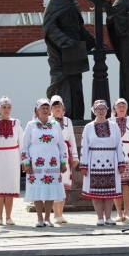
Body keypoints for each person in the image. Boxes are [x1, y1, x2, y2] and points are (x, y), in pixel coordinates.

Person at [44, 0, 95, 120]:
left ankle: (76, 117)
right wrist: (65, 40)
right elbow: (49, 26)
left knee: (76, 83)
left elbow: (79, 27)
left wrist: (92, 41)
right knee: (63, 82)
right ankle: (63, 116)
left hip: (74, 48)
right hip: (61, 49)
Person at [21, 98, 68, 228]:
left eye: (48, 108)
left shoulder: (55, 125)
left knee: (50, 190)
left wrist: (63, 162)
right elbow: (24, 146)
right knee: (37, 190)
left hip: (52, 163)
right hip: (36, 162)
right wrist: (26, 163)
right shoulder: (31, 125)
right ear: (37, 110)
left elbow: (62, 145)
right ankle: (39, 218)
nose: (46, 110)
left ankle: (48, 218)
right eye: (43, 108)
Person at [80, 100, 126, 226]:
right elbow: (84, 147)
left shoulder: (114, 126)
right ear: (94, 111)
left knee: (109, 191)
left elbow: (118, 145)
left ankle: (108, 217)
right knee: (96, 191)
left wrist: (121, 163)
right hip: (94, 161)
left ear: (107, 111)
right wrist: (83, 165)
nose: (101, 111)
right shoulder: (88, 127)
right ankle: (100, 217)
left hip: (111, 161)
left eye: (103, 109)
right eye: (98, 109)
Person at [0, 96, 24, 226]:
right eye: (4, 107)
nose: (7, 110)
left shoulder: (16, 123)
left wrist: (23, 161)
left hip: (12, 157)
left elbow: (21, 143)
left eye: (9, 107)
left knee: (10, 187)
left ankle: (8, 217)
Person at [50, 95, 79, 225]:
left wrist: (75, 156)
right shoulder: (48, 121)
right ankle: (55, 214)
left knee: (63, 185)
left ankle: (60, 214)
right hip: (51, 155)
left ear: (63, 108)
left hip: (65, 155)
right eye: (55, 106)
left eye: (59, 106)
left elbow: (72, 138)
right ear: (51, 108)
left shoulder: (68, 121)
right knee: (54, 184)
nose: (57, 108)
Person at [110, 98, 129, 222]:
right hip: (114, 154)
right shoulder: (110, 121)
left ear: (126, 108)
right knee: (116, 183)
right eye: (119, 106)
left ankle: (127, 212)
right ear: (114, 108)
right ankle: (118, 213)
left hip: (128, 154)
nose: (121, 108)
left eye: (123, 106)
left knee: (127, 184)